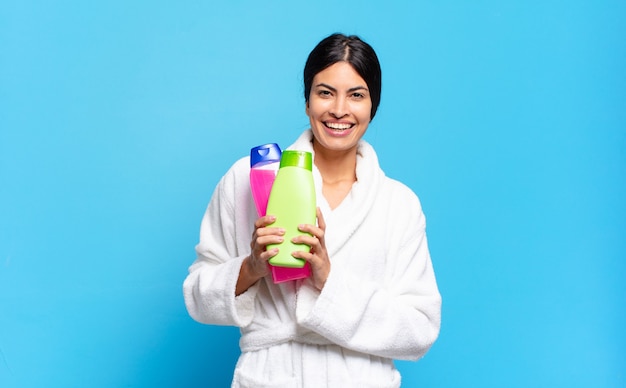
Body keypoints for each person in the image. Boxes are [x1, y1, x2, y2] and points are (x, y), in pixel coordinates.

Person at [183, 33, 441, 388]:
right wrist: (251, 267)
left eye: (356, 95)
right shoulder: (251, 177)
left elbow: (420, 330)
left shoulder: (398, 204)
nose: (339, 109)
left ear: (373, 106)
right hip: (269, 375)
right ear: (306, 101)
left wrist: (329, 281)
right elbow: (197, 294)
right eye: (325, 92)